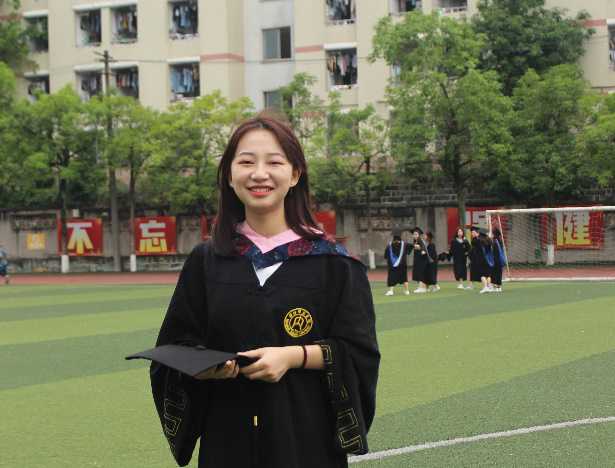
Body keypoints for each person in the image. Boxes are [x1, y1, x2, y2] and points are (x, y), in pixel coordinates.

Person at [150, 112, 380, 467]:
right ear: (230, 176)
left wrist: (293, 356)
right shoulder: (206, 261)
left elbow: (357, 352)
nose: (259, 174)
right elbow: (175, 347)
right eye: (246, 162)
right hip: (227, 438)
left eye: (274, 162)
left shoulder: (335, 264)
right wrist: (204, 367)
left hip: (305, 439)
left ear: (295, 174)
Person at [384, 228, 411, 296]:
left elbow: (386, 256)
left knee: (392, 276)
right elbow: (411, 247)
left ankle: (391, 291)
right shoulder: (405, 245)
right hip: (402, 263)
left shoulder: (390, 245)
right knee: (404, 277)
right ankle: (407, 291)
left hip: (393, 264)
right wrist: (407, 252)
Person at [410, 227, 430, 293]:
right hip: (417, 259)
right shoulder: (415, 241)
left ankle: (421, 288)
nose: (415, 235)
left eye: (416, 234)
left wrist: (423, 251)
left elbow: (423, 247)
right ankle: (423, 287)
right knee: (419, 273)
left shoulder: (420, 241)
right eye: (414, 234)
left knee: (420, 273)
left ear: (419, 235)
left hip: (421, 260)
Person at [477, 229, 494, 294]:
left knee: (482, 274)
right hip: (488, 259)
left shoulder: (479, 241)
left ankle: (485, 287)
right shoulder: (489, 241)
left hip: (481, 259)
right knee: (488, 274)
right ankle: (488, 287)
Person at [466, 226, 481, 290]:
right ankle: (471, 285)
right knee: (472, 271)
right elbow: (473, 248)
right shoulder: (475, 240)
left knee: (483, 272)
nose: (473, 234)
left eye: (474, 233)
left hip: (480, 259)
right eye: (472, 233)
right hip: (474, 259)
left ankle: (489, 285)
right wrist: (468, 253)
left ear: (478, 233)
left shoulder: (479, 240)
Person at [491, 228, 506, 292]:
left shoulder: (494, 242)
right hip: (499, 260)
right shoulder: (500, 241)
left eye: (492, 234)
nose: (491, 235)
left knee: (494, 273)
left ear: (494, 234)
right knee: (499, 273)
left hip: (495, 260)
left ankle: (495, 286)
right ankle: (499, 286)